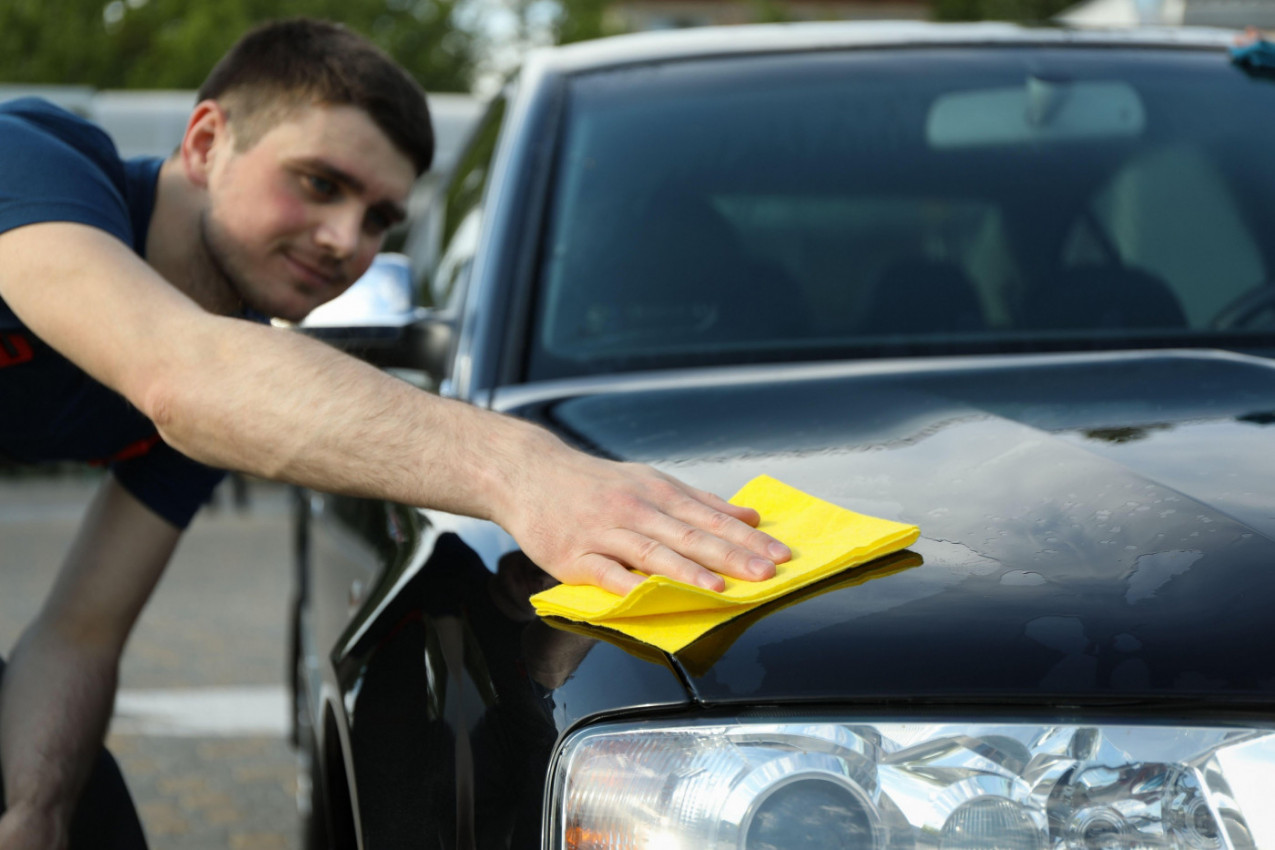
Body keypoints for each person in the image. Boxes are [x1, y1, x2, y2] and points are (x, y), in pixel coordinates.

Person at [0, 18, 789, 849]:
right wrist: (529, 471)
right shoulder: (33, 162)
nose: (348, 243)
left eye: (379, 219)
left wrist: (35, 812)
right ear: (204, 143)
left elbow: (81, 629)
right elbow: (179, 373)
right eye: (316, 182)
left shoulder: (225, 378)